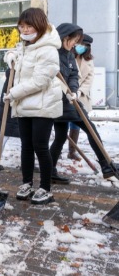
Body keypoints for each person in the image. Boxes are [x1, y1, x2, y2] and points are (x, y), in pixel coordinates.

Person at [3, 8, 62, 204]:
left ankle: (45, 187)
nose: (25, 29)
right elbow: (14, 52)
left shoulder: (48, 49)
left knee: (40, 147)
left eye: (29, 26)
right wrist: (10, 57)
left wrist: (13, 94)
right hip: (24, 105)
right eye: (22, 26)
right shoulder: (25, 46)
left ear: (39, 25)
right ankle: (27, 182)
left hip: (43, 105)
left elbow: (40, 82)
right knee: (26, 146)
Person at [49, 24, 118, 182]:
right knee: (90, 129)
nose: (75, 44)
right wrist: (66, 92)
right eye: (74, 40)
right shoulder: (53, 53)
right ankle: (106, 166)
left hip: (71, 99)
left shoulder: (68, 54)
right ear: (64, 37)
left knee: (60, 137)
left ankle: (50, 171)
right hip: (60, 102)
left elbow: (74, 75)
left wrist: (74, 90)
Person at [66, 34, 94, 161]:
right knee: (62, 124)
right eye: (79, 44)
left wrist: (79, 92)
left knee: (76, 124)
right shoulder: (67, 56)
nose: (80, 47)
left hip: (80, 96)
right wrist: (70, 91)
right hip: (66, 94)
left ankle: (72, 151)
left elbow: (89, 79)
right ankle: (54, 152)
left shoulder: (89, 61)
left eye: (83, 45)